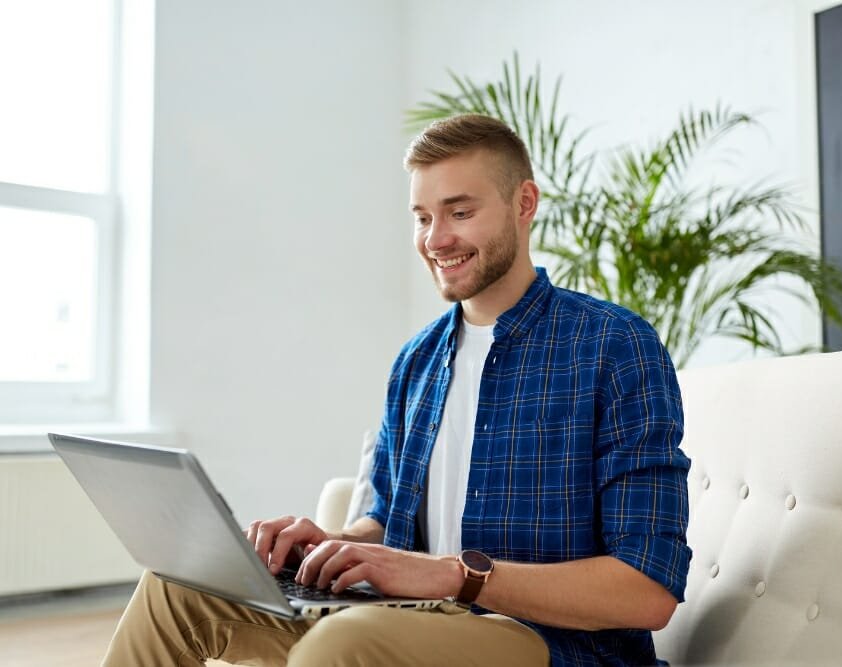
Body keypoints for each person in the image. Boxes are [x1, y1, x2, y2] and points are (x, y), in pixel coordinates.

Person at [103, 114, 691, 666]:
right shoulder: (418, 360)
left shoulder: (615, 346)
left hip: (549, 644)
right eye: (422, 217)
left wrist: (453, 575)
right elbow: (388, 519)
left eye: (459, 212)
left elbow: (648, 591)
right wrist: (331, 544)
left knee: (345, 641)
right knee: (173, 589)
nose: (436, 239)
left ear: (524, 203)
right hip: (406, 620)